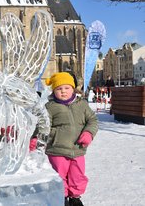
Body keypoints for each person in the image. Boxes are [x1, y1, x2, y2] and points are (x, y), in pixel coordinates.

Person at [44, 72, 98, 206]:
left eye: (66, 88)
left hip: (78, 149)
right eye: (59, 89)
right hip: (57, 149)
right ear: (54, 91)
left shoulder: (82, 104)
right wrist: (39, 138)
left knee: (77, 175)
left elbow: (92, 120)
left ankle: (75, 197)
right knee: (59, 175)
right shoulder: (50, 107)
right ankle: (61, 197)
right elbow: (43, 126)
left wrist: (88, 133)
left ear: (73, 89)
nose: (63, 92)